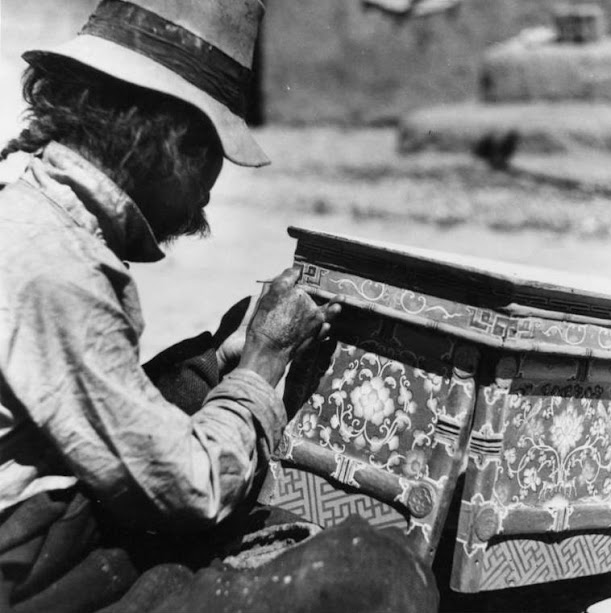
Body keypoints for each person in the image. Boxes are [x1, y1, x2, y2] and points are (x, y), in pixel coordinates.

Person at [0, 1, 438, 611]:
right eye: (210, 155)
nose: (210, 188)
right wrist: (262, 365)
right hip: (19, 573)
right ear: (166, 140)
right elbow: (190, 490)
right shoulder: (62, 271)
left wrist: (221, 357)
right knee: (374, 572)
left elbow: (97, 405)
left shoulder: (24, 213)